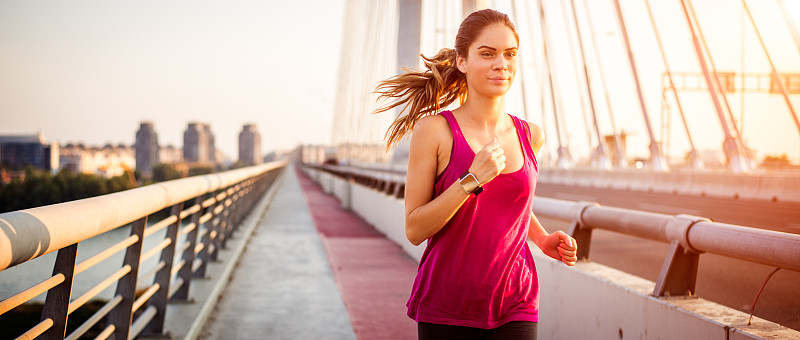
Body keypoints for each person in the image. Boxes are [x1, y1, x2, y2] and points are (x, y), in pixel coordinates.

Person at [373, 8, 579, 340]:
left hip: (516, 299)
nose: (502, 64)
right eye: (487, 53)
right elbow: (414, 228)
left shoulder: (531, 135)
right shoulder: (435, 131)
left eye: (510, 54)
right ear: (462, 61)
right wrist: (471, 179)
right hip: (447, 304)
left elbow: (509, 206)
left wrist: (541, 238)